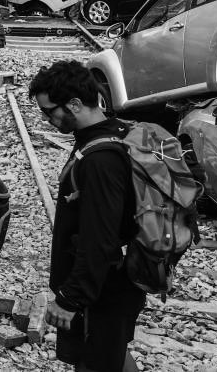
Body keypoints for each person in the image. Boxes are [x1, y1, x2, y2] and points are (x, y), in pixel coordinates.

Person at [30, 60, 142, 372]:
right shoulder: (116, 132)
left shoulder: (100, 160)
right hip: (113, 280)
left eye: (50, 110)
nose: (48, 119)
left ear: (75, 104)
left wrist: (70, 299)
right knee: (112, 356)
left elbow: (99, 238)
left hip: (105, 288)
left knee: (93, 363)